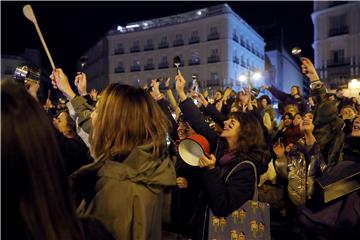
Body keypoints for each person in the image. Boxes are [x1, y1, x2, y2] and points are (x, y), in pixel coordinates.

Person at [50, 69, 176, 240]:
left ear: (114, 125)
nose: (93, 114)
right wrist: (70, 93)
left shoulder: (114, 190)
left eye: (98, 111)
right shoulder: (145, 166)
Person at [2, 80, 113, 240]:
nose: (54, 121)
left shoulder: (76, 147)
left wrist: (34, 98)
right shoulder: (88, 231)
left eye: (99, 111)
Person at [175, 71, 269, 240]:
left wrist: (210, 170)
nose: (224, 123)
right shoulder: (221, 147)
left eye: (231, 123)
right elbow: (199, 123)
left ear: (245, 132)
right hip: (205, 227)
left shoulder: (246, 167)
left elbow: (222, 205)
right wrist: (181, 93)